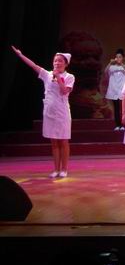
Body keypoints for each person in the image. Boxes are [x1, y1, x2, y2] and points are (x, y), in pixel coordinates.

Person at [12, 46, 75, 178]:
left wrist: (58, 77)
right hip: (49, 112)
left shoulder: (70, 77)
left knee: (63, 141)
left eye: (60, 61)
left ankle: (64, 169)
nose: (57, 63)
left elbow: (64, 91)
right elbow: (33, 65)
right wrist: (20, 55)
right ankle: (56, 169)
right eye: (55, 60)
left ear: (66, 63)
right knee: (54, 142)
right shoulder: (47, 74)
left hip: (62, 112)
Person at [104, 48, 125, 130]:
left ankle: (123, 125)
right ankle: (117, 125)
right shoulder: (112, 67)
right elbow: (105, 72)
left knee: (123, 109)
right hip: (114, 89)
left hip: (122, 90)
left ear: (123, 58)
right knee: (116, 108)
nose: (118, 58)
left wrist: (121, 64)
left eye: (120, 57)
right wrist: (109, 63)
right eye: (117, 57)